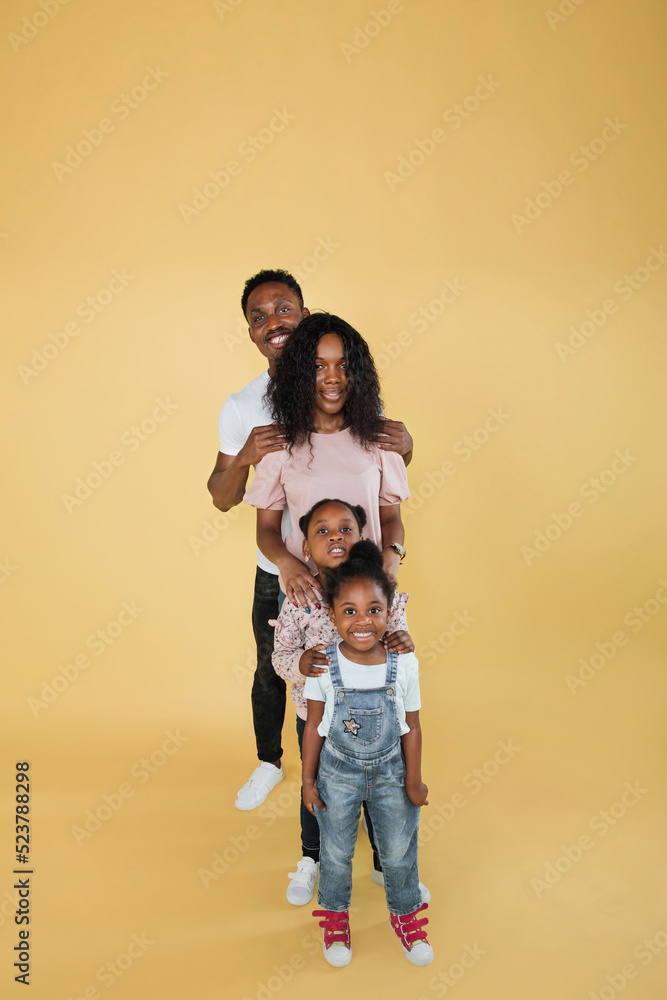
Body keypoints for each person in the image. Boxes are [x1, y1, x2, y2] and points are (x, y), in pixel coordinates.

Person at [207, 275, 413, 810]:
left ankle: (369, 783)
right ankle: (281, 769)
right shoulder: (247, 411)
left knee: (364, 672)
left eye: (283, 309)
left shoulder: (350, 391)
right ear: (250, 330)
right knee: (282, 669)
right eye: (258, 315)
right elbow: (225, 498)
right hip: (288, 575)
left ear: (304, 313)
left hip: (361, 581)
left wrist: (407, 449)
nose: (272, 321)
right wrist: (249, 455)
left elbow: (380, 481)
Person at [271, 498, 427, 907]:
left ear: (363, 540)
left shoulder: (381, 593)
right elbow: (279, 656)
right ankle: (312, 858)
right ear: (305, 549)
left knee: (383, 795)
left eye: (346, 529)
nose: (335, 536)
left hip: (381, 726)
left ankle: (386, 862)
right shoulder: (298, 600)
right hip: (317, 721)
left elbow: (401, 650)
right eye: (321, 531)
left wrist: (404, 644)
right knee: (317, 793)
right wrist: (301, 664)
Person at [302, 541, 432, 968]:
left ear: (389, 611)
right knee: (336, 850)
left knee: (397, 847)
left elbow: (411, 724)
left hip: (392, 770)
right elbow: (316, 727)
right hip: (337, 773)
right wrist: (308, 781)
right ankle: (336, 915)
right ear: (332, 614)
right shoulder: (322, 664)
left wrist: (413, 779)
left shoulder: (404, 662)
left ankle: (405, 913)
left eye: (374, 610)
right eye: (350, 611)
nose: (363, 621)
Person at [243, 312, 411, 614]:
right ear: (300, 374)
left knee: (385, 663)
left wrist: (393, 556)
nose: (333, 377)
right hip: (305, 597)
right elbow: (266, 529)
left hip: (370, 592)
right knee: (298, 663)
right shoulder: (281, 444)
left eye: (343, 365)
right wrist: (287, 563)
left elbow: (390, 519)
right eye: (318, 366)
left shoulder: (380, 437)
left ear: (357, 372)